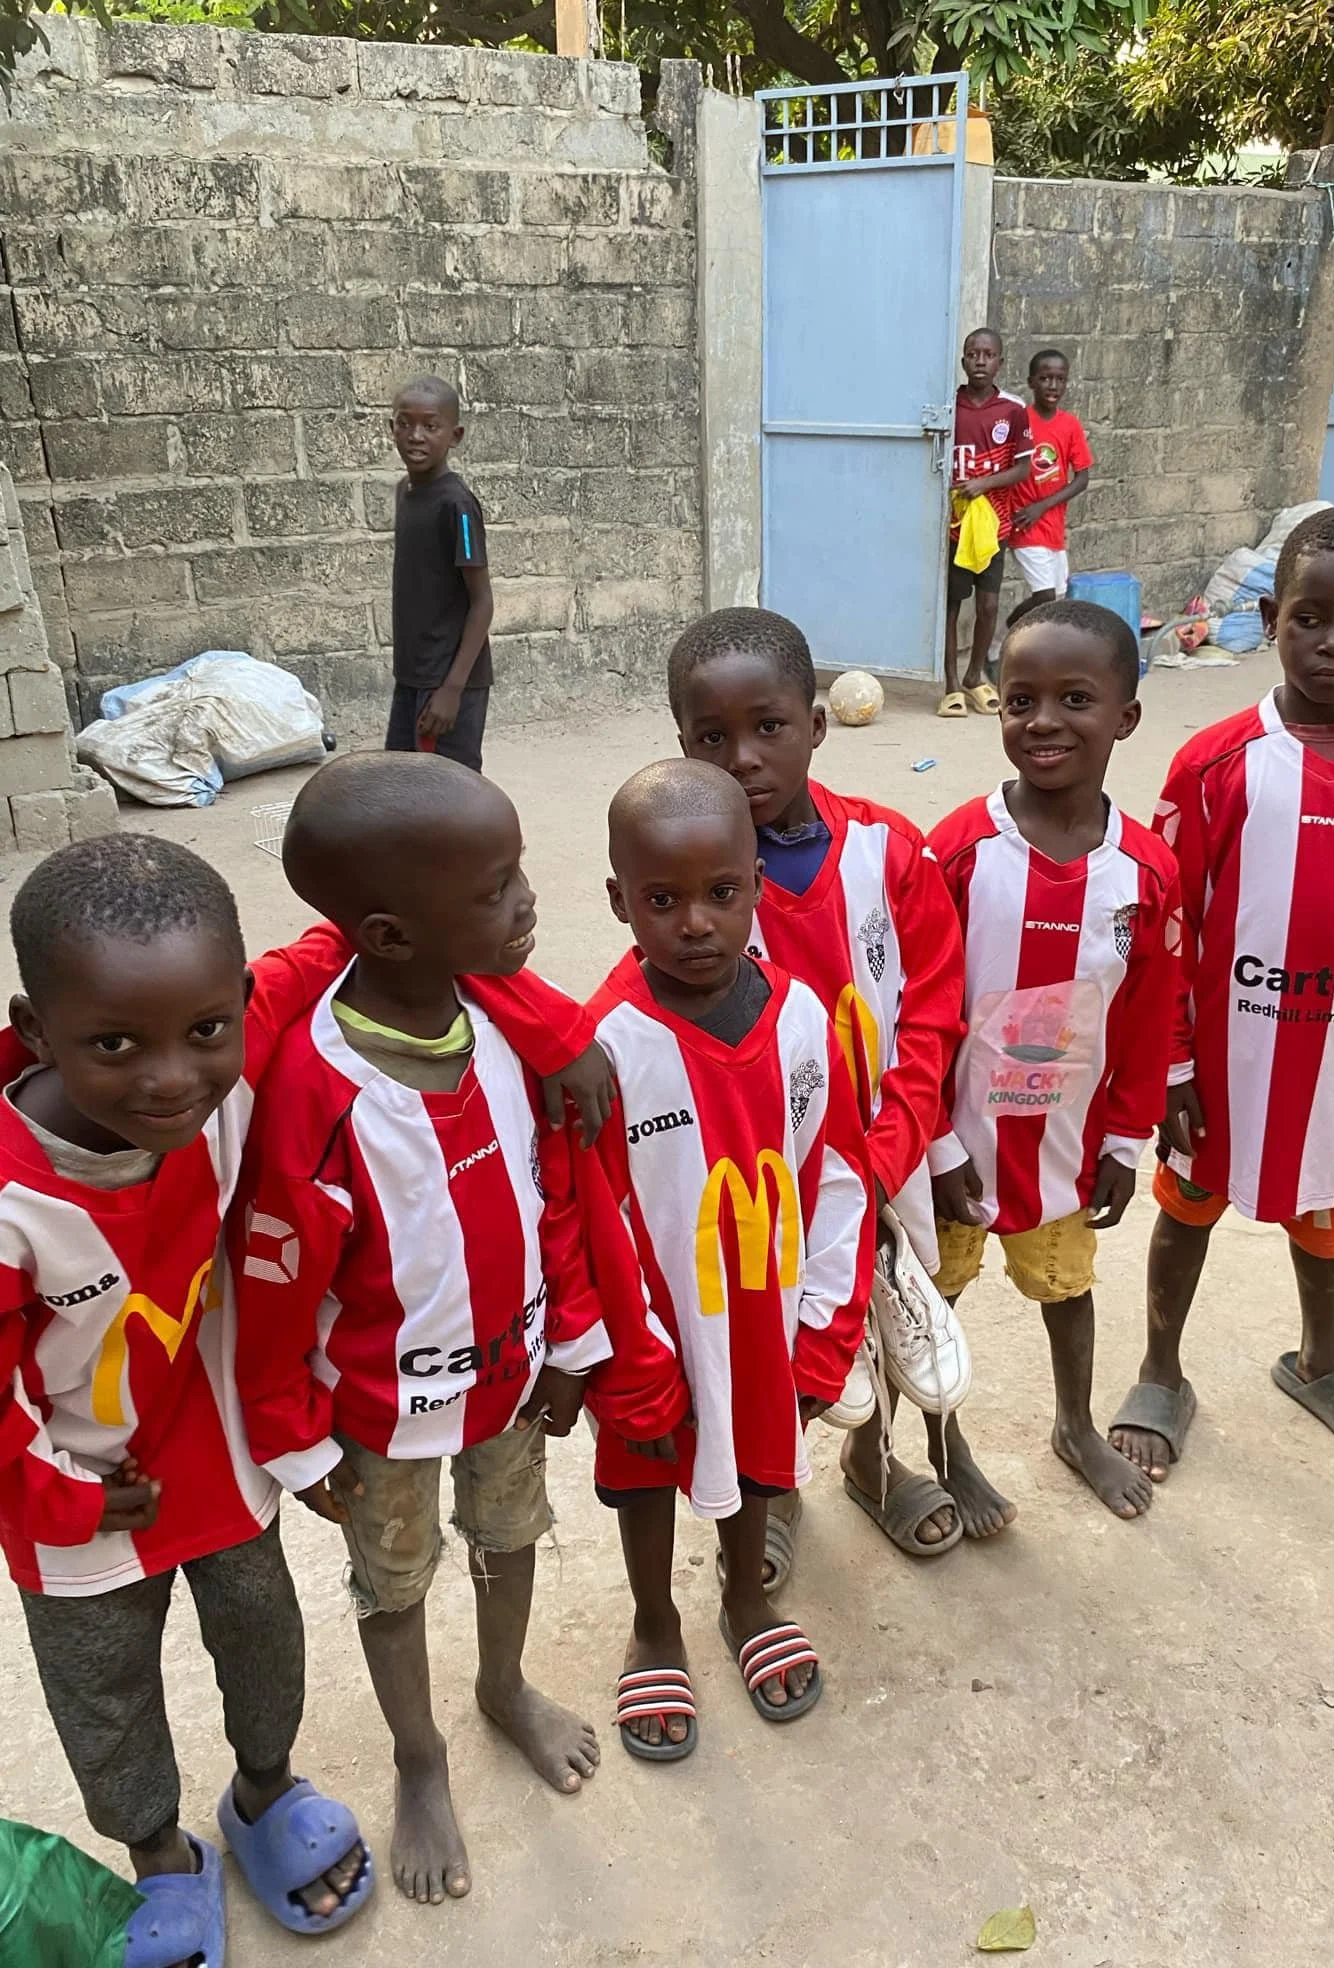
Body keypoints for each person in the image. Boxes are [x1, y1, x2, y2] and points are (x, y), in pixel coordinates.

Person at [233, 753, 685, 1906]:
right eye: (494, 887)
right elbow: (277, 1280)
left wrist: (574, 1339)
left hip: (515, 1376)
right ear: (386, 935)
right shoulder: (315, 1085)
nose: (528, 899)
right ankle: (417, 1752)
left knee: (512, 1529)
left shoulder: (506, 1028)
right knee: (395, 1578)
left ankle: (501, 1684)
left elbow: (557, 1196)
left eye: (518, 870)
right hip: (383, 1411)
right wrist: (294, 1434)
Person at [0, 835, 372, 1965]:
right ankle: (157, 1850)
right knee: (102, 1685)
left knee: (262, 1630)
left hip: (212, 1446)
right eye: (114, 1043)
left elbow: (353, 928)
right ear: (34, 1032)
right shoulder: (14, 1198)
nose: (171, 1077)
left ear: (234, 1004)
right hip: (76, 1488)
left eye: (205, 1030)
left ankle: (264, 1790)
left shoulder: (227, 1052)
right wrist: (62, 1494)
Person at [1110, 506, 1334, 1478]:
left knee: (1325, 1206)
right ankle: (1160, 1366)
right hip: (1221, 1059)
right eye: (1310, 616)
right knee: (1188, 1202)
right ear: (1270, 615)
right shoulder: (1216, 764)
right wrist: (1168, 1060)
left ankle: (1319, 1358)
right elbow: (1165, 926)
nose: (1333, 643)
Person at [582, 760, 874, 1761]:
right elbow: (596, 1214)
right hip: (652, 1332)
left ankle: (745, 1598)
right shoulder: (605, 1045)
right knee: (645, 1470)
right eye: (661, 900)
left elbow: (834, 1174)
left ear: (757, 882)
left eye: (720, 892)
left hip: (762, 1315)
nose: (695, 921)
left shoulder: (798, 1019)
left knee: (757, 1452)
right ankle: (655, 1618)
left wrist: (824, 1327)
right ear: (619, 898)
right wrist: (636, 1357)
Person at [667, 607, 972, 1564]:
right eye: (712, 738)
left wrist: (893, 1148)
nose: (745, 758)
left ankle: (883, 1463)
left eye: (769, 727)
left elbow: (932, 1009)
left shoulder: (891, 851)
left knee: (893, 1307)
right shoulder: (692, 883)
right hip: (761, 1180)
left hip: (889, 1154)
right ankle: (770, 1493)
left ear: (817, 723)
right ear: (682, 745)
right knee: (771, 1343)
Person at [927, 601, 1181, 1520]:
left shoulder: (1145, 873)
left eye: (1075, 698)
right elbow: (917, 1015)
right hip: (952, 1149)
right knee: (931, 1305)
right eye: (1020, 699)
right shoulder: (956, 853)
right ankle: (937, 1443)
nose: (1042, 721)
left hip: (1065, 1149)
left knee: (1066, 1291)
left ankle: (1073, 1425)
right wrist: (933, 1144)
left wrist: (1126, 1139)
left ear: (1126, 717)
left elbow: (1150, 1017)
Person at [386, 375, 495, 771]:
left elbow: (482, 602)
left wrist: (452, 689)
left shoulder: (458, 507)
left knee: (451, 794)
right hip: (412, 676)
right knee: (399, 783)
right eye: (405, 423)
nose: (416, 436)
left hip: (451, 680)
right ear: (392, 428)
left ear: (455, 435)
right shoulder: (405, 492)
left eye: (430, 426)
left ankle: (500, 837)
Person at [941, 327, 1035, 718]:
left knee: (989, 604)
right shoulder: (948, 405)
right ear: (963, 361)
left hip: (992, 526)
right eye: (973, 354)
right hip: (954, 525)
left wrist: (983, 483)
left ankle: (974, 676)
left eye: (988, 354)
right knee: (950, 604)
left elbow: (1022, 468)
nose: (980, 361)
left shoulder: (1012, 410)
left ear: (1000, 361)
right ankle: (949, 684)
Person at [1009, 348, 1094, 615]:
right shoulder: (1020, 420)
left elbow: (1082, 478)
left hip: (1051, 522)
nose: (1053, 385)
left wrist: (1044, 506)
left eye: (1060, 379)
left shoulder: (1070, 425)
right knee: (1044, 595)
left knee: (1056, 596)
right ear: (1031, 382)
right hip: (1024, 521)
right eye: (1045, 378)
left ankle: (1006, 632)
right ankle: (1005, 638)